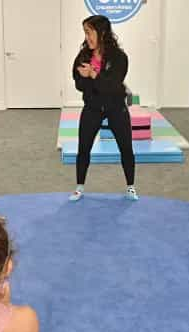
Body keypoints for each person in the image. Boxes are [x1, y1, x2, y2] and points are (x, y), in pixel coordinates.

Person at [70, 15, 137, 201]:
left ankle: (131, 186)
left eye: (90, 32)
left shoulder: (119, 57)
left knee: (126, 148)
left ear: (102, 33)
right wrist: (86, 77)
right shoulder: (83, 56)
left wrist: (93, 75)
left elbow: (113, 85)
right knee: (83, 148)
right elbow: (79, 84)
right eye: (85, 32)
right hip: (92, 107)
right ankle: (79, 187)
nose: (87, 36)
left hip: (116, 107)